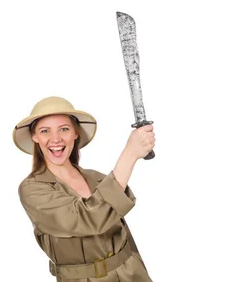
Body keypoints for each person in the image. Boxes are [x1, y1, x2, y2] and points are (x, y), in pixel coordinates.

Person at [12, 96, 155, 281]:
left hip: (131, 273)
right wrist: (130, 154)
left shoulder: (96, 178)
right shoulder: (32, 189)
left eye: (64, 129)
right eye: (45, 131)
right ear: (35, 137)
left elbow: (125, 236)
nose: (55, 139)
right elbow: (89, 218)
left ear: (75, 133)